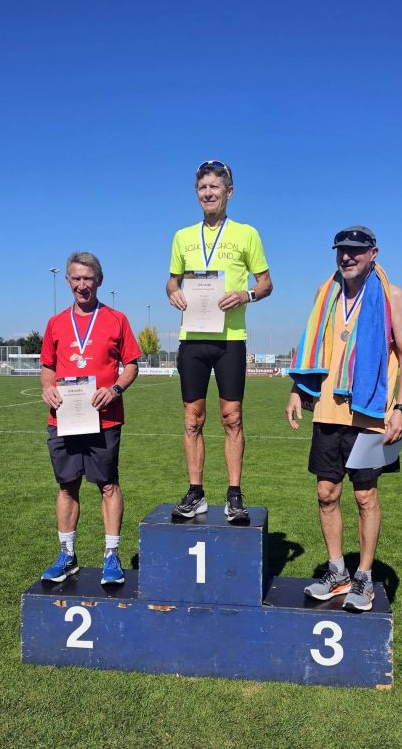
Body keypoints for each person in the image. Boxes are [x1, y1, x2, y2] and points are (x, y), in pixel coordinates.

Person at [285, 226, 402, 611]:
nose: (347, 256)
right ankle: (337, 572)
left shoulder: (392, 296)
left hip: (371, 414)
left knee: (364, 495)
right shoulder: (324, 293)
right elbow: (314, 348)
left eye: (356, 250)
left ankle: (364, 577)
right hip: (328, 411)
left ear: (373, 253)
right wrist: (297, 390)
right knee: (326, 494)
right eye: (341, 250)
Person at [166, 159, 272, 522]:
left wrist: (246, 295)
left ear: (229, 192)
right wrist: (173, 292)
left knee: (232, 418)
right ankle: (195, 492)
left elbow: (266, 283)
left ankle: (234, 494)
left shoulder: (247, 234)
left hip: (231, 339)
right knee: (192, 419)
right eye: (202, 188)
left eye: (214, 187)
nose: (208, 193)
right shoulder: (182, 237)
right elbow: (171, 281)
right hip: (193, 338)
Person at [39, 251, 141, 585]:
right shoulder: (55, 323)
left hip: (104, 418)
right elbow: (47, 367)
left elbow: (131, 365)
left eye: (87, 278)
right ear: (68, 280)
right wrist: (47, 389)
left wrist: (115, 389)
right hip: (64, 419)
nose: (81, 285)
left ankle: (111, 556)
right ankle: (67, 555)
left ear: (99, 280)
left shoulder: (117, 319)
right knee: (67, 486)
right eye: (76, 278)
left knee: (108, 485)